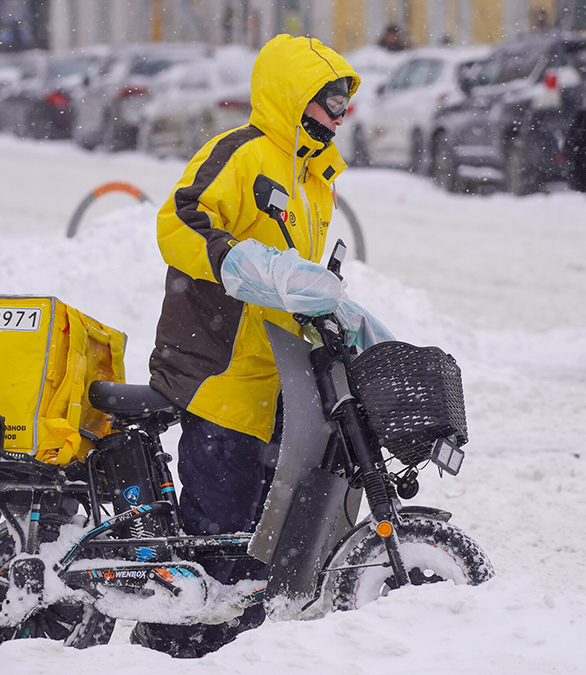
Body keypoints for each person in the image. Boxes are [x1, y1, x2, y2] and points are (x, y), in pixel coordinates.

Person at [137, 34, 389, 657]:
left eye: (344, 101)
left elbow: (293, 276)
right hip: (219, 372)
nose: (340, 112)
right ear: (293, 96)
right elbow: (179, 220)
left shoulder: (312, 178)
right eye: (330, 97)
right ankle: (173, 645)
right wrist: (231, 257)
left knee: (257, 543)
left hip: (275, 376)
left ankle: (233, 647)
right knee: (219, 542)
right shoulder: (245, 154)